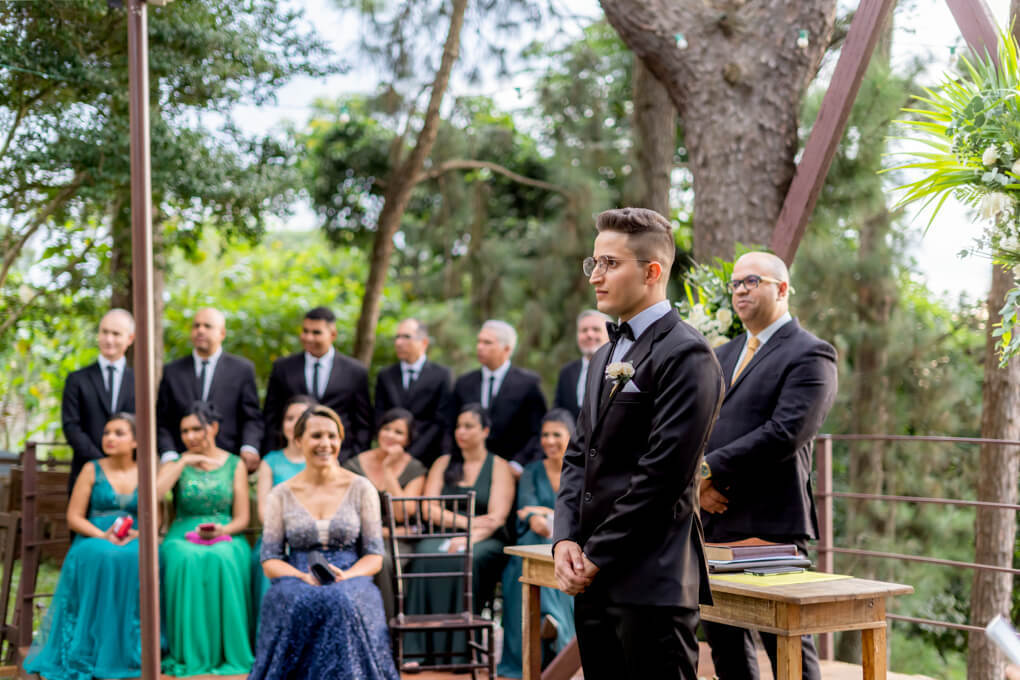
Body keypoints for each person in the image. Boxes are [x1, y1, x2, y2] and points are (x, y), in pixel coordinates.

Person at [553, 207, 724, 680]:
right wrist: (565, 538)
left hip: (652, 584)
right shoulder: (603, 356)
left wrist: (595, 555)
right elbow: (578, 455)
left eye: (610, 263)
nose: (595, 276)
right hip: (593, 582)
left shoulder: (688, 355)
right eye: (594, 263)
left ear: (652, 272)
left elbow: (662, 477)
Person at [698, 251, 838, 680]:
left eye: (752, 281)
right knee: (725, 646)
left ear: (782, 289)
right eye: (736, 284)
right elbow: (701, 425)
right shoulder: (722, 354)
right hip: (715, 516)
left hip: (771, 522)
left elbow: (786, 432)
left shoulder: (811, 353)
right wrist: (698, 484)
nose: (740, 290)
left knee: (787, 646)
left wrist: (706, 469)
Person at [250, 405, 398, 680]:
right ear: (298, 440)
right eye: (316, 436)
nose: (325, 443)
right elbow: (270, 560)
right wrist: (301, 577)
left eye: (332, 436)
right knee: (298, 600)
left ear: (341, 440)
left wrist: (347, 575)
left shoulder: (361, 488)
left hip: (351, 574)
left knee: (341, 600)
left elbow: (375, 556)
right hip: (296, 573)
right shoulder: (280, 494)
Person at [23, 413, 142, 680]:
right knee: (104, 555)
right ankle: (93, 647)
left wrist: (138, 533)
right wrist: (102, 535)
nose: (109, 438)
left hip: (132, 537)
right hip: (94, 536)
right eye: (106, 432)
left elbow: (155, 518)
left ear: (136, 441)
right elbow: (74, 517)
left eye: (119, 433)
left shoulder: (146, 471)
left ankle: (131, 648)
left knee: (145, 556)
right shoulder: (91, 469)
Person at [404, 403, 516, 661]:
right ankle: (417, 650)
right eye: (458, 426)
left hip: (486, 539)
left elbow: (497, 517)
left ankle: (461, 651)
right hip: (444, 534)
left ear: (485, 431)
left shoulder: (499, 466)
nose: (461, 432)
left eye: (468, 426)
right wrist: (467, 524)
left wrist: (469, 538)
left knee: (467, 558)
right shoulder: (443, 463)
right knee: (425, 554)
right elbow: (428, 509)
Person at [158, 401, 254, 676]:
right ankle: (188, 651)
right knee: (185, 557)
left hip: (225, 531)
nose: (189, 436)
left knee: (223, 557)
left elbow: (242, 518)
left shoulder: (234, 464)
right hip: (183, 532)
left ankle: (227, 650)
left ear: (213, 428)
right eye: (184, 431)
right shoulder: (177, 463)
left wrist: (222, 531)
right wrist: (182, 463)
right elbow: (153, 496)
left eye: (196, 429)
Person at [498, 409, 578, 679]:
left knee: (561, 553)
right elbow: (532, 519)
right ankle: (551, 623)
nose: (549, 441)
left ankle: (551, 623)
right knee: (530, 549)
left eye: (557, 434)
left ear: (571, 437)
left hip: (570, 547)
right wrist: (540, 516)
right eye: (545, 435)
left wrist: (543, 513)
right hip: (532, 547)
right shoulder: (532, 471)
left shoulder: (580, 471)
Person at [343, 407, 427, 621]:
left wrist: (388, 470)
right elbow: (346, 512)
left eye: (399, 432)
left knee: (385, 559)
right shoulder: (354, 466)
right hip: (361, 535)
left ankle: (390, 624)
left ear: (408, 439)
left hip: (399, 542)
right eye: (387, 429)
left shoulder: (415, 469)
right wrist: (385, 532)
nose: (390, 435)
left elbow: (401, 514)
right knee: (367, 556)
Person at [156, 307, 263, 471]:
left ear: (222, 333)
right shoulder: (172, 371)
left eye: (207, 326)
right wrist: (169, 455)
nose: (200, 330)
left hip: (228, 462)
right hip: (183, 464)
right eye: (196, 326)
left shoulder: (242, 369)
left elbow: (251, 417)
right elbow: (162, 420)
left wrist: (249, 447)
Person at [262, 306, 372, 460]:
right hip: (292, 456)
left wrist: (354, 458)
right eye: (305, 331)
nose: (308, 337)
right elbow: (271, 415)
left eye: (316, 332)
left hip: (340, 457)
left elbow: (363, 422)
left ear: (333, 334)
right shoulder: (283, 367)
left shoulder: (355, 371)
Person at [252, 394, 317, 630]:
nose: (294, 424)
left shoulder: (323, 461)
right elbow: (263, 511)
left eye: (302, 418)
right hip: (276, 537)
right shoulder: (270, 462)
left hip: (316, 538)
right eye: (289, 418)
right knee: (268, 561)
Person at [448, 320, 547, 473]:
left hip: (512, 469)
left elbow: (538, 431)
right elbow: (450, 426)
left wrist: (518, 465)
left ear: (506, 349)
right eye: (479, 341)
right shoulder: (464, 383)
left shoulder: (528, 384)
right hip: (468, 469)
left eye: (487, 343)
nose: (479, 347)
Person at [61, 309, 136, 490]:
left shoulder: (140, 382)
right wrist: (101, 463)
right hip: (86, 473)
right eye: (104, 332)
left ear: (130, 339)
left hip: (129, 477)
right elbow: (71, 426)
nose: (109, 339)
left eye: (116, 334)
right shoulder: (77, 379)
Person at [373, 318, 453, 467]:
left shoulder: (442, 375)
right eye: (397, 337)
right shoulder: (386, 375)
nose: (398, 342)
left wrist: (410, 455)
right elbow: (379, 414)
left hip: (427, 457)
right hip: (388, 454)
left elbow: (440, 421)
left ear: (424, 342)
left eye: (406, 337)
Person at [553, 310, 610, 420]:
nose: (589, 335)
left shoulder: (618, 369)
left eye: (596, 329)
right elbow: (559, 410)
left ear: (609, 335)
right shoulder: (567, 372)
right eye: (584, 330)